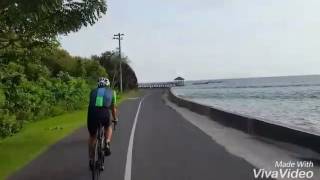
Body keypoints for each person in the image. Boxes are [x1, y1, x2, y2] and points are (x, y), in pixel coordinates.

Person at [87, 77, 118, 170]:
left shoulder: (92, 91)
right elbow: (112, 108)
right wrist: (115, 118)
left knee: (92, 136)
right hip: (104, 112)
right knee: (108, 126)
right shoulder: (112, 92)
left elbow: (92, 103)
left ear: (98, 85)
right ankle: (107, 143)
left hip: (92, 113)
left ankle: (92, 160)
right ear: (107, 85)